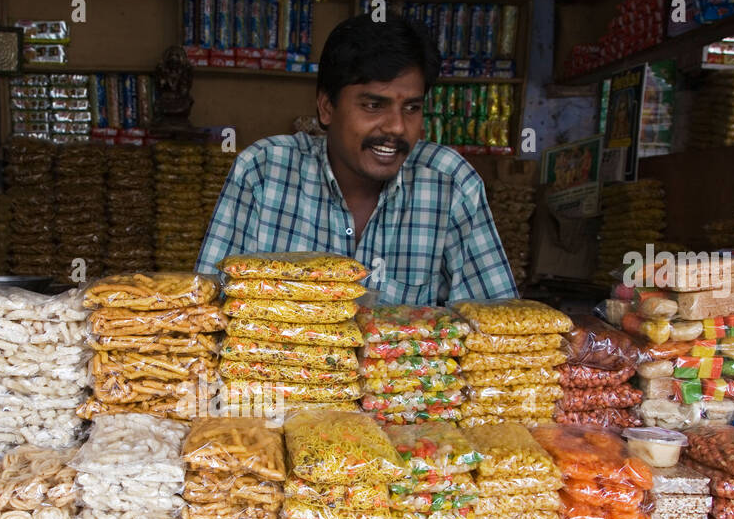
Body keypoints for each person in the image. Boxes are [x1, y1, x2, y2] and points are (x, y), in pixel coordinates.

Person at [197, 15, 517, 305]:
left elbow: (499, 327)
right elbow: (206, 315)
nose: (396, 127)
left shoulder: (450, 183)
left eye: (411, 108)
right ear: (326, 107)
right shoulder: (262, 172)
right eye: (373, 105)